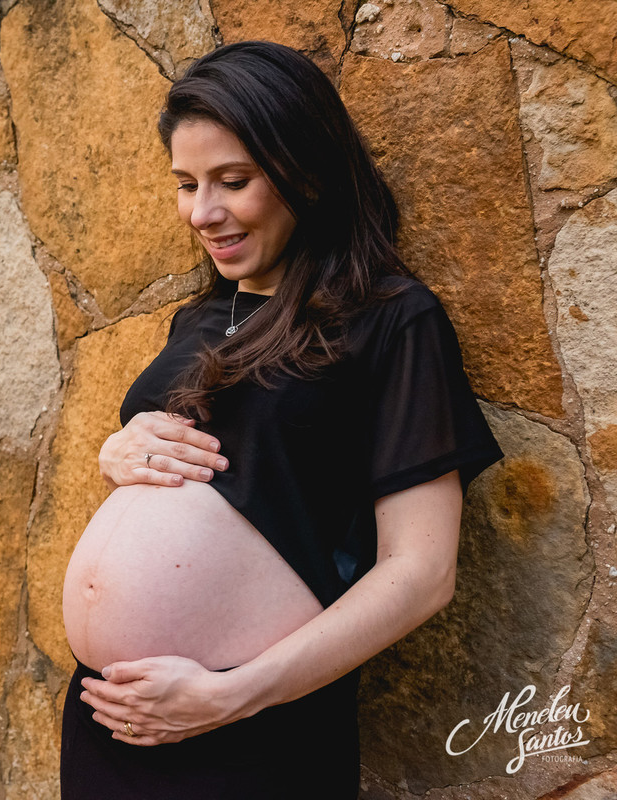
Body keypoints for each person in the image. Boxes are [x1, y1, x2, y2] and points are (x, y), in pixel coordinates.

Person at [57, 41, 504, 799]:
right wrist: (119, 447)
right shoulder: (201, 317)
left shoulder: (392, 321)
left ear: (306, 170)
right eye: (188, 184)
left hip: (250, 726)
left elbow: (423, 572)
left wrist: (234, 694)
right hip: (114, 719)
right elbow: (215, 467)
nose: (204, 212)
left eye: (234, 181)